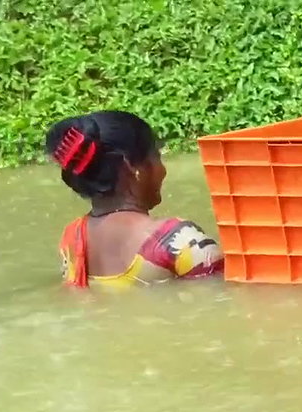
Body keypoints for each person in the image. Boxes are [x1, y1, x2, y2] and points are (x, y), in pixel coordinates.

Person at [46, 110, 224, 288]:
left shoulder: (72, 238)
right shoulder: (178, 241)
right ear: (132, 168)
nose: (163, 170)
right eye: (157, 156)